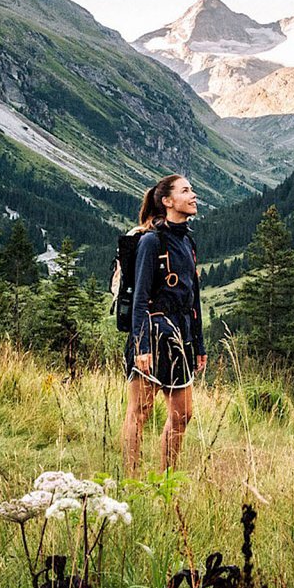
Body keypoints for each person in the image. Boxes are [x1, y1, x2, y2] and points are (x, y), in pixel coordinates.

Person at [121, 173, 205, 475]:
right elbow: (140, 299)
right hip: (153, 334)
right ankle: (131, 479)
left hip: (180, 337)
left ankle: (166, 480)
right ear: (168, 201)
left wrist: (199, 344)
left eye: (192, 190)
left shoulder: (188, 241)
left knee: (183, 416)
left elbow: (193, 298)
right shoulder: (150, 241)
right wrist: (141, 347)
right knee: (140, 412)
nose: (193, 195)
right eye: (186, 191)